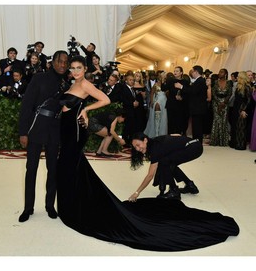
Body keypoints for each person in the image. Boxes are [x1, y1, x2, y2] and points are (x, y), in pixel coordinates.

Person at [56, 58, 239, 252]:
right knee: (68, 167)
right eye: (73, 68)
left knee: (69, 165)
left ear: (85, 69)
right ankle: (70, 204)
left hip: (75, 131)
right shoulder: (72, 83)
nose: (75, 71)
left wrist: (85, 109)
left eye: (79, 68)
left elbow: (105, 100)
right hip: (66, 128)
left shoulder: (84, 84)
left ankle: (72, 206)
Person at [18, 50, 69, 223]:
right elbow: (26, 106)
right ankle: (28, 208)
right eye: (59, 61)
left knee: (53, 170)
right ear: (52, 62)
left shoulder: (67, 83)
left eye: (65, 62)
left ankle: (49, 206)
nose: (62, 65)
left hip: (54, 130)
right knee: (31, 169)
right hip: (36, 129)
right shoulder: (39, 78)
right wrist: (23, 132)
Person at [129, 133, 201, 200]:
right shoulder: (155, 141)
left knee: (164, 162)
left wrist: (137, 192)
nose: (137, 149)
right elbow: (175, 135)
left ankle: (174, 191)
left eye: (138, 145)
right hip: (195, 144)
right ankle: (190, 186)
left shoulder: (155, 149)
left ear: (145, 140)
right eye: (135, 147)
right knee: (169, 162)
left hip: (193, 148)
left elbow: (150, 175)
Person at [175, 65, 208, 143]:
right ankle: (196, 142)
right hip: (197, 108)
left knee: (197, 127)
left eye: (192, 71)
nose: (191, 73)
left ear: (196, 72)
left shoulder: (200, 81)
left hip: (198, 108)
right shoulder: (199, 80)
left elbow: (193, 91)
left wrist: (181, 87)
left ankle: (197, 143)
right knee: (196, 127)